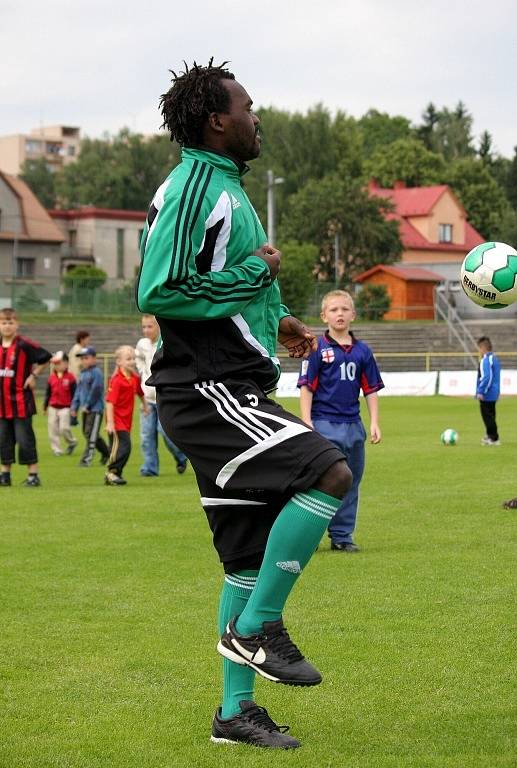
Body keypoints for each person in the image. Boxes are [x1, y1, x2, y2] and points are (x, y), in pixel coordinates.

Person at [136, 60, 351, 750]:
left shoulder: (223, 186)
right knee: (327, 471)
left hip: (224, 381)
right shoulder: (198, 184)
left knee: (245, 564)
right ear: (216, 119)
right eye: (248, 107)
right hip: (206, 387)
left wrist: (278, 317)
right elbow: (162, 291)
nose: (258, 118)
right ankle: (259, 627)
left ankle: (235, 715)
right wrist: (258, 269)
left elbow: (219, 283)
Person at [298, 290, 384, 553]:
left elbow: (370, 390)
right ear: (324, 316)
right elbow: (306, 388)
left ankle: (342, 536)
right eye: (334, 310)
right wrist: (307, 421)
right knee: (320, 482)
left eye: (345, 309)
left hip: (353, 426)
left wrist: (374, 422)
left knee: (352, 481)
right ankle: (308, 536)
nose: (340, 314)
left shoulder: (363, 351)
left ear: (353, 315)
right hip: (324, 424)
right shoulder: (316, 348)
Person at [0, 307, 51, 487]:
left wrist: (33, 375)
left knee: (24, 439)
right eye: (3, 322)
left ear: (17, 324)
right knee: (4, 440)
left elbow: (46, 357)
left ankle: (33, 475)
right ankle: (5, 475)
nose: (7, 326)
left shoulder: (23, 345)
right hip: (2, 405)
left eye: (10, 322)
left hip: (21, 403)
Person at [135, 314, 188, 475]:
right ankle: (150, 469)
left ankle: (181, 456)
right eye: (143, 327)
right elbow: (139, 362)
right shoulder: (142, 344)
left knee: (166, 433)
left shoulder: (166, 343)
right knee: (146, 436)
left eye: (149, 326)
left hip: (164, 398)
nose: (146, 330)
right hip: (147, 399)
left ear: (158, 326)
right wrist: (142, 373)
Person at [104, 345, 148, 486]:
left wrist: (145, 406)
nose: (132, 361)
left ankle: (115, 475)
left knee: (124, 447)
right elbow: (109, 403)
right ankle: (111, 472)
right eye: (128, 359)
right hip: (116, 421)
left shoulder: (134, 377)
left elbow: (140, 393)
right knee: (124, 446)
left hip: (126, 420)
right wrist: (110, 423)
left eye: (133, 358)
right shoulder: (116, 380)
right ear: (119, 362)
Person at [70, 346, 110, 467]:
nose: (84, 361)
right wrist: (74, 407)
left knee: (91, 434)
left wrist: (88, 404)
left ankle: (86, 459)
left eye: (86, 358)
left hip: (95, 409)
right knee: (88, 433)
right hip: (85, 409)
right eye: (82, 358)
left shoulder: (96, 373)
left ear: (94, 358)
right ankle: (107, 453)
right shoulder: (83, 373)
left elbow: (96, 390)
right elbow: (78, 391)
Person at [43, 351, 78, 456]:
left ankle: (72, 442)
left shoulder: (71, 378)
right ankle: (56, 449)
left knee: (64, 428)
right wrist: (45, 406)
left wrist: (74, 408)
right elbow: (48, 393)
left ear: (66, 363)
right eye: (55, 363)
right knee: (52, 429)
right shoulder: (51, 378)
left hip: (65, 407)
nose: (57, 365)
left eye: (59, 363)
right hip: (53, 407)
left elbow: (74, 394)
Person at [476, 336, 501, 446]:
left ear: (482, 348)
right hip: (494, 392)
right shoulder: (494, 359)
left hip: (487, 393)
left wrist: (481, 391)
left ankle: (493, 438)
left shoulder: (485, 360)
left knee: (487, 416)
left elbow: (487, 377)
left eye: (479, 348)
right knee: (491, 415)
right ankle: (490, 434)